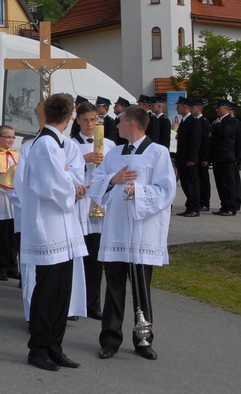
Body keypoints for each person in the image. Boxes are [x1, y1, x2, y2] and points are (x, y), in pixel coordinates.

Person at [88, 105, 176, 361]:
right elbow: (97, 182)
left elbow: (166, 190)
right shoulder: (114, 153)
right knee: (114, 287)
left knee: (141, 287)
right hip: (116, 228)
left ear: (134, 125)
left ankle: (143, 338)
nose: (117, 125)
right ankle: (110, 339)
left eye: (121, 122)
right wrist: (113, 180)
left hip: (141, 230)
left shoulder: (158, 153)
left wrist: (137, 191)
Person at [18, 93, 88, 372]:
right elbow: (52, 186)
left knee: (61, 291)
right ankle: (38, 349)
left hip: (63, 227)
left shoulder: (57, 143)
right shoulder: (45, 144)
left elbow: (65, 177)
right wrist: (75, 190)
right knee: (47, 290)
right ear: (70, 118)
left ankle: (55, 346)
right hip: (48, 227)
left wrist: (73, 186)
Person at [72, 102, 116, 321]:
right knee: (77, 257)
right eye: (86, 120)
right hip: (78, 203)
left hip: (100, 204)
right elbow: (63, 169)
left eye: (94, 120)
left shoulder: (109, 144)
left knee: (96, 258)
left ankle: (93, 303)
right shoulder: (70, 144)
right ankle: (72, 303)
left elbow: (115, 172)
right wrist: (83, 159)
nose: (90, 124)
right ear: (77, 120)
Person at [0, 124, 20, 281]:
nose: (11, 140)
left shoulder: (17, 155)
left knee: (14, 234)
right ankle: (1, 267)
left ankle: (13, 266)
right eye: (7, 136)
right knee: (1, 234)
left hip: (15, 199)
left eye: (13, 137)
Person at [210, 99, 241, 216]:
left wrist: (218, 125)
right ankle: (224, 205)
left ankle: (230, 207)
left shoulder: (232, 121)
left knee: (228, 183)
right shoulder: (217, 121)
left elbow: (225, 133)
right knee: (220, 183)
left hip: (227, 156)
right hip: (218, 156)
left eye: (219, 108)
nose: (217, 110)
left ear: (226, 109)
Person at [174, 97, 202, 217]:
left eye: (179, 106)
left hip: (189, 160)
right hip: (182, 158)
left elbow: (195, 142)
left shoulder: (194, 121)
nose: (177, 108)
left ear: (185, 107)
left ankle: (195, 208)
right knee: (185, 184)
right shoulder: (184, 121)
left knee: (192, 183)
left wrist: (192, 159)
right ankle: (189, 206)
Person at [191, 99, 212, 211]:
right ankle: (198, 200)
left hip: (202, 156)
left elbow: (206, 142)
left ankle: (204, 202)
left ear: (199, 108)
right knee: (197, 180)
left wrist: (205, 158)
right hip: (196, 155)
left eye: (193, 107)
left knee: (203, 180)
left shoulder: (204, 122)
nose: (191, 109)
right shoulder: (194, 121)